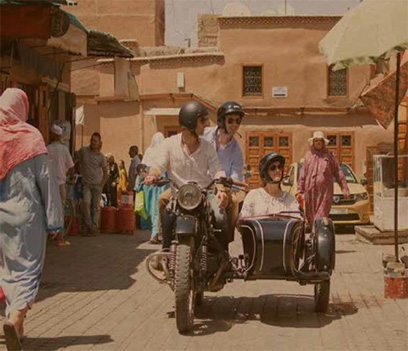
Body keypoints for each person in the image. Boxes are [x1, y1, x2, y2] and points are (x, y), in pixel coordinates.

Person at [0, 88, 64, 350]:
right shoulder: (31, 136)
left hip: (1, 217)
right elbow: (47, 182)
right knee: (28, 269)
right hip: (27, 217)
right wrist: (55, 221)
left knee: (7, 270)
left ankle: (18, 328)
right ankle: (15, 318)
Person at [145, 101, 228, 250]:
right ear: (190, 122)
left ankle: (224, 256)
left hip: (204, 194)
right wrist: (153, 175)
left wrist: (221, 189)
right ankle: (166, 253)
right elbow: (159, 164)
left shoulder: (208, 147)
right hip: (180, 195)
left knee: (221, 218)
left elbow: (217, 170)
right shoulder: (169, 144)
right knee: (167, 215)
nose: (206, 125)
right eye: (202, 121)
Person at [203, 101, 245, 242]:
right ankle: (168, 248)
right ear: (222, 120)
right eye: (231, 120)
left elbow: (236, 177)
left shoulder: (236, 151)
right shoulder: (204, 135)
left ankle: (225, 243)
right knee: (164, 200)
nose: (235, 124)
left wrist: (227, 185)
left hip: (220, 187)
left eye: (238, 121)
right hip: (196, 182)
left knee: (234, 201)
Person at [297, 131, 350, 228]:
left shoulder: (329, 156)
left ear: (323, 142)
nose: (318, 142)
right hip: (310, 192)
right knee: (310, 217)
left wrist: (344, 188)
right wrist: (300, 190)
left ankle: (319, 236)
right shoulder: (308, 155)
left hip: (325, 193)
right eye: (316, 140)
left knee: (321, 217)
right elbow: (303, 173)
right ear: (313, 142)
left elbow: (338, 172)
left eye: (320, 141)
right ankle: (315, 237)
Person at [240, 153, 300, 218]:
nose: (277, 170)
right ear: (265, 172)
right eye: (273, 168)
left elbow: (297, 222)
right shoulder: (253, 196)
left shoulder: (290, 199)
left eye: (279, 167)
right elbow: (244, 221)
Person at [47, 124, 75, 246]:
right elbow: (71, 166)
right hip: (61, 183)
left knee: (49, 208)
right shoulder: (64, 149)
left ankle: (49, 233)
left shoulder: (47, 148)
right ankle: (60, 238)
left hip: (49, 184)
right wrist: (69, 175)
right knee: (61, 210)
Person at [140, 132, 168, 244]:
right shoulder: (164, 152)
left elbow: (143, 168)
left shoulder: (148, 151)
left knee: (151, 208)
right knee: (158, 208)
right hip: (160, 183)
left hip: (149, 184)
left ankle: (154, 233)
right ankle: (156, 234)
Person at [79, 132, 108, 235]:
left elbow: (106, 173)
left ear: (99, 143)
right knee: (86, 204)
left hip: (97, 185)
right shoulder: (83, 151)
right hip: (86, 184)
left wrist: (101, 186)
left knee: (96, 207)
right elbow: (76, 160)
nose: (93, 143)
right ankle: (88, 226)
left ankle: (94, 228)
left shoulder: (101, 157)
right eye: (92, 140)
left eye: (95, 141)